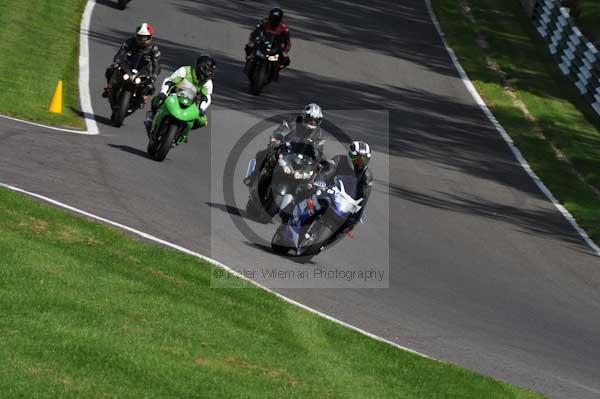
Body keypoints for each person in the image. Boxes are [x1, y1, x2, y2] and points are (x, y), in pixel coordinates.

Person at [243, 103, 324, 187]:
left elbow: (318, 149)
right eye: (310, 119)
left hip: (302, 158)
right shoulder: (294, 121)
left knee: (312, 176)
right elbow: (282, 130)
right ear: (304, 116)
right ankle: (253, 177)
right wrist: (277, 138)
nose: (312, 122)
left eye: (315, 121)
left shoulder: (318, 134)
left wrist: (318, 159)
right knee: (264, 154)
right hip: (285, 150)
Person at [144, 54, 216, 133]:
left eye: (211, 72)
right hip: (174, 96)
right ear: (201, 67)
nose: (209, 74)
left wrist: (202, 108)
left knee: (203, 121)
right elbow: (170, 81)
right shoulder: (185, 70)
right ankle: (152, 116)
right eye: (208, 71)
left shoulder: (208, 83)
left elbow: (206, 97)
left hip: (191, 103)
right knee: (157, 99)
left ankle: (184, 130)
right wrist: (163, 92)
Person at [317, 141, 373, 236]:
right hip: (327, 191)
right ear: (351, 155)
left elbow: (364, 197)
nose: (360, 163)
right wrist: (320, 181)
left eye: (364, 160)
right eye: (357, 159)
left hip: (343, 202)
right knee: (307, 199)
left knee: (346, 227)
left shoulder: (367, 176)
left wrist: (357, 214)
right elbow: (325, 172)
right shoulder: (339, 160)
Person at [102, 23, 161, 102]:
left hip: (143, 71)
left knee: (151, 87)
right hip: (128, 66)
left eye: (144, 37)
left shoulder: (154, 49)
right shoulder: (130, 42)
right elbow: (121, 52)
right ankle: (109, 87)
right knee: (110, 70)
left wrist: (154, 76)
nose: (141, 39)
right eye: (140, 36)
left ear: (149, 37)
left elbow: (156, 64)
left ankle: (143, 98)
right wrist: (116, 62)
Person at [244, 7, 291, 73]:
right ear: (270, 17)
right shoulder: (264, 21)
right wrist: (254, 37)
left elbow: (287, 39)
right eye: (273, 18)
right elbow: (256, 30)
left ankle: (278, 67)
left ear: (280, 19)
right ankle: (249, 56)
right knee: (250, 45)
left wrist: (285, 48)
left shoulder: (284, 27)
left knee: (285, 56)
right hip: (263, 41)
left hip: (275, 44)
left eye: (276, 19)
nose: (274, 20)